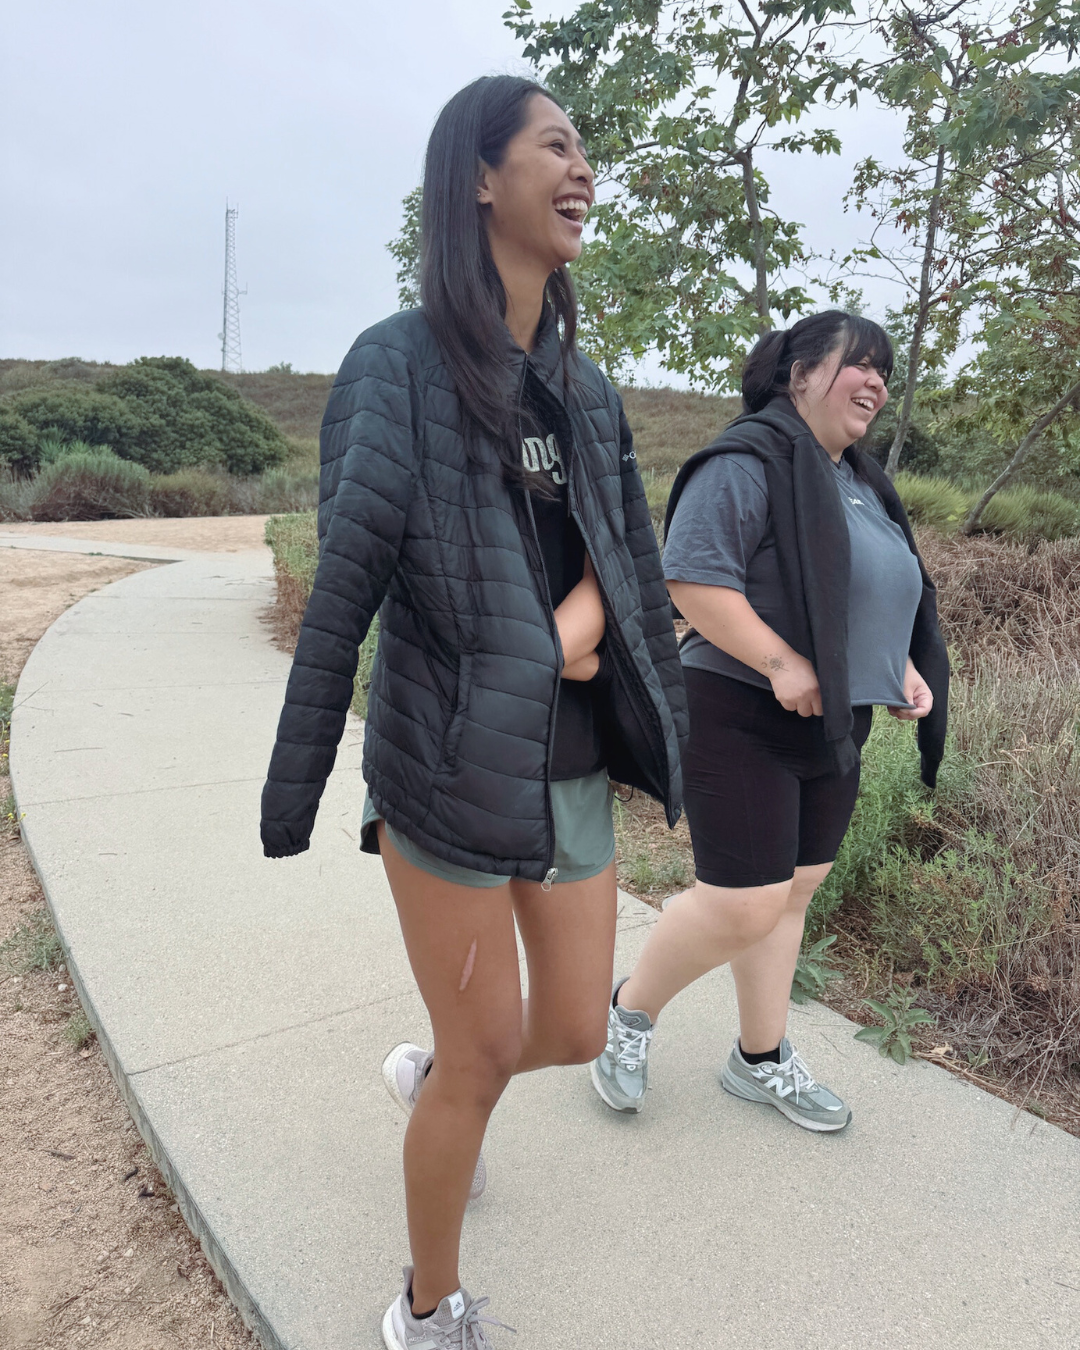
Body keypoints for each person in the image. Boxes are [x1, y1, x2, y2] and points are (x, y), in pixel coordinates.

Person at [259, 75, 686, 1348]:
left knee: (559, 1029)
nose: (582, 172)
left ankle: (437, 1067)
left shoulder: (587, 387)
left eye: (585, 152)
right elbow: (351, 582)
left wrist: (585, 629)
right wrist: (297, 780)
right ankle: (427, 1303)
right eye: (554, 146)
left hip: (563, 756)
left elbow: (629, 558)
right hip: (445, 760)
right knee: (489, 1055)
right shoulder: (397, 365)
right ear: (479, 181)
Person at [590, 310, 949, 1131]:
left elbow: (875, 598)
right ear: (799, 375)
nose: (877, 382)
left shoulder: (858, 480)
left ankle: (759, 1058)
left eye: (884, 370)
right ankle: (628, 1014)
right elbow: (692, 579)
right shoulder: (748, 460)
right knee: (744, 901)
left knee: (793, 896)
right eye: (858, 364)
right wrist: (782, 663)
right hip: (736, 708)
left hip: (832, 723)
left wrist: (897, 667)